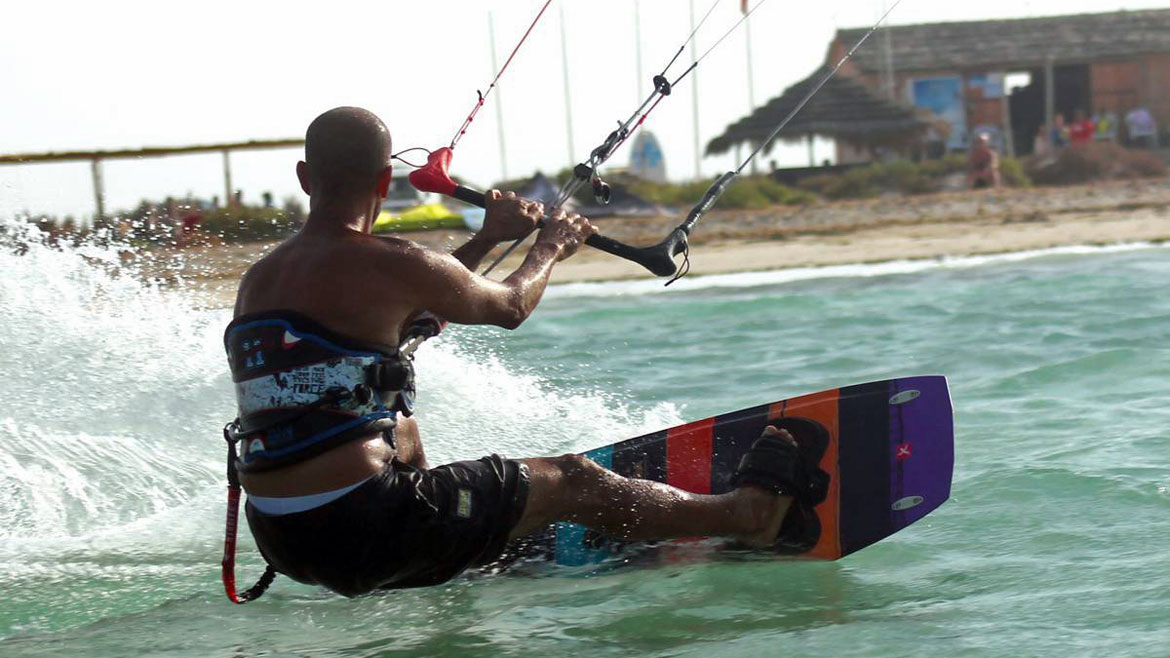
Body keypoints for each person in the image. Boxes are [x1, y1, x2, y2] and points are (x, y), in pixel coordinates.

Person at [224, 107, 820, 597]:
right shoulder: (391, 262)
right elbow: (508, 307)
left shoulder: (262, 280)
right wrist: (550, 248)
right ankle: (747, 517)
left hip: (285, 540)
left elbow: (411, 316)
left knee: (397, 418)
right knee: (571, 479)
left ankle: (465, 537)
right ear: (386, 181)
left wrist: (489, 237)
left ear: (305, 176)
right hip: (369, 527)